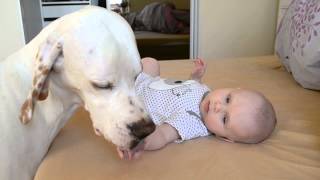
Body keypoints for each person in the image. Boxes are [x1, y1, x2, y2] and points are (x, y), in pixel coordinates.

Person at [117, 57, 277, 160]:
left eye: (224, 119)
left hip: (134, 102)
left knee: (121, 104)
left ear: (224, 137)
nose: (218, 106)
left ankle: (115, 83)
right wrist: (195, 78)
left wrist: (141, 141)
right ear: (235, 88)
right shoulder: (208, 93)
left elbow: (163, 135)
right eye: (228, 99)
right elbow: (186, 90)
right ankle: (120, 71)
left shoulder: (192, 122)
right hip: (146, 83)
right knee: (150, 63)